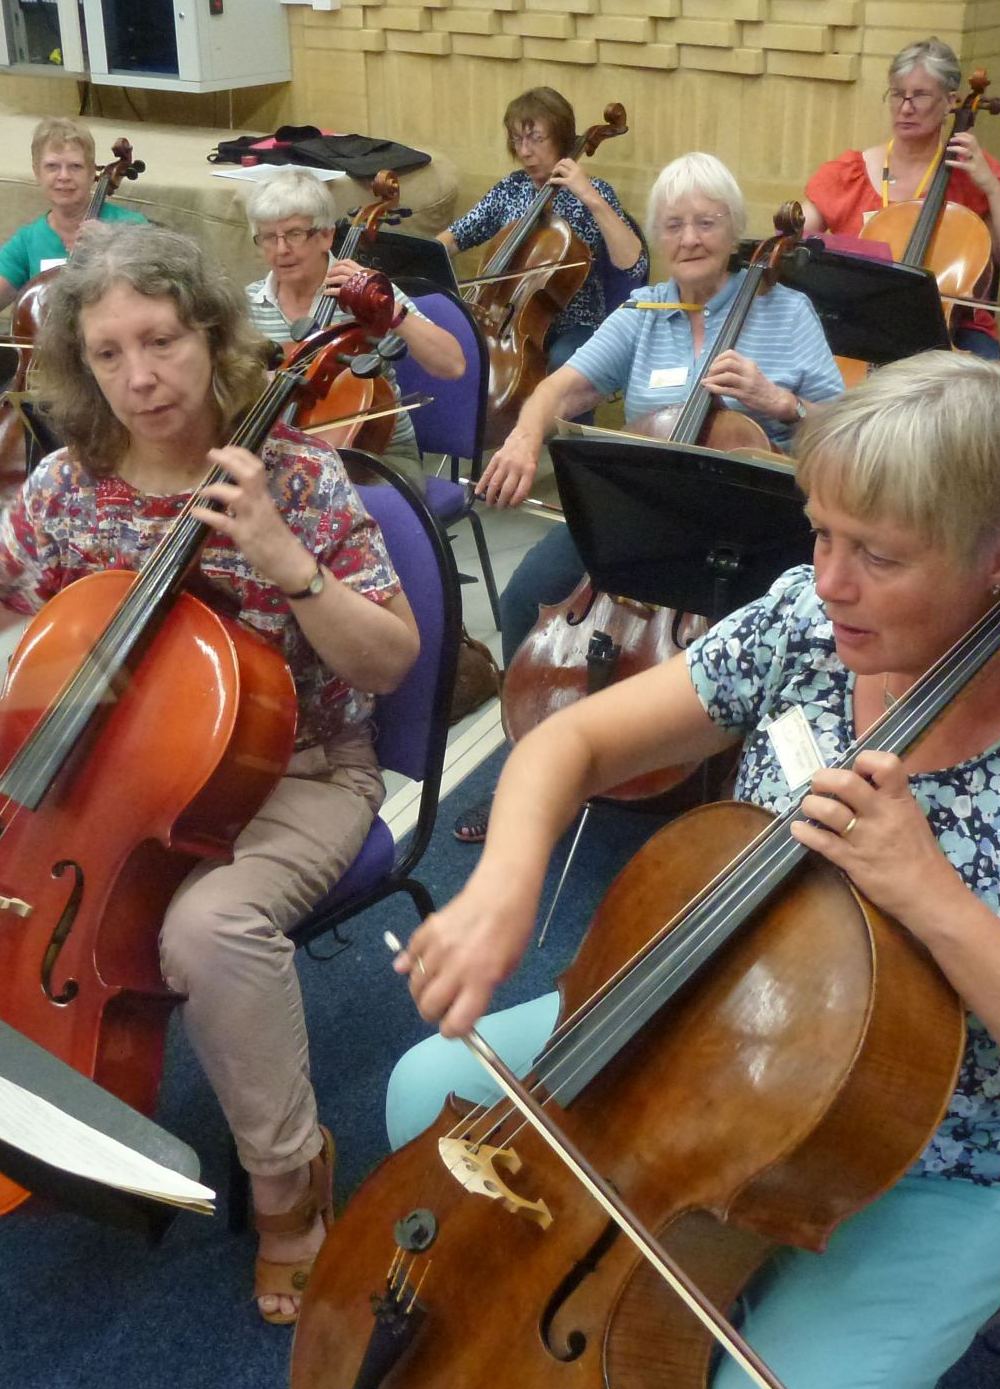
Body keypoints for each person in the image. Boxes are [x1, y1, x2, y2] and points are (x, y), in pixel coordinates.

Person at [386, 350, 1000, 1389]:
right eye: (819, 529)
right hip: (713, 1021)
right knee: (428, 1095)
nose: (831, 579)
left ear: (999, 557)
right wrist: (504, 882)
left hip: (930, 1146)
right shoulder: (806, 624)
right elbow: (572, 743)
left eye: (881, 556)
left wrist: (930, 891)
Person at [0, 222, 420, 1325]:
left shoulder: (300, 477)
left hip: (301, 772)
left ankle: (290, 1182)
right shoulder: (62, 489)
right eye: (107, 353)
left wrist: (290, 563)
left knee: (205, 930)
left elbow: (391, 657)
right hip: (103, 782)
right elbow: (11, 615)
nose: (139, 377)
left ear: (212, 336)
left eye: (163, 341)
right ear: (76, 365)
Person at [451, 151, 843, 843]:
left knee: (767, 640)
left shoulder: (789, 310)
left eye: (707, 222)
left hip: (749, 526)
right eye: (674, 224)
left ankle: (730, 793)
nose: (690, 237)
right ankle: (533, 770)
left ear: (735, 231)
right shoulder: (645, 309)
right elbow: (560, 387)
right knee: (523, 597)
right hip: (640, 516)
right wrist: (522, 439)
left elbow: (845, 430)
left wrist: (780, 401)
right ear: (658, 235)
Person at [245, 167, 465, 495]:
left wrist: (389, 309)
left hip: (375, 461)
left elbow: (452, 364)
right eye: (267, 237)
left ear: (326, 235)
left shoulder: (367, 293)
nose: (280, 250)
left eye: (293, 234)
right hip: (280, 459)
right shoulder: (249, 304)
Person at [802, 36, 1000, 358]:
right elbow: (796, 233)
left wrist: (991, 186)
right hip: (859, 323)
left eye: (920, 96)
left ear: (950, 101)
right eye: (898, 94)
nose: (905, 107)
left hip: (953, 332)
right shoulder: (849, 173)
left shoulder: (973, 174)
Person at [436, 86, 647, 372]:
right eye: (517, 140)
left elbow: (633, 264)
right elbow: (454, 237)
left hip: (575, 325)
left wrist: (590, 197)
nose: (524, 151)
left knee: (564, 364)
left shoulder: (594, 191)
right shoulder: (511, 189)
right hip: (506, 322)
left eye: (536, 139)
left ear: (560, 138)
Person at [0, 117, 147, 311]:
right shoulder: (27, 242)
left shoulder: (132, 226)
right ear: (37, 173)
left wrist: (114, 245)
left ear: (91, 172)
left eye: (75, 166)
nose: (64, 177)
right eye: (52, 166)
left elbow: (160, 290)